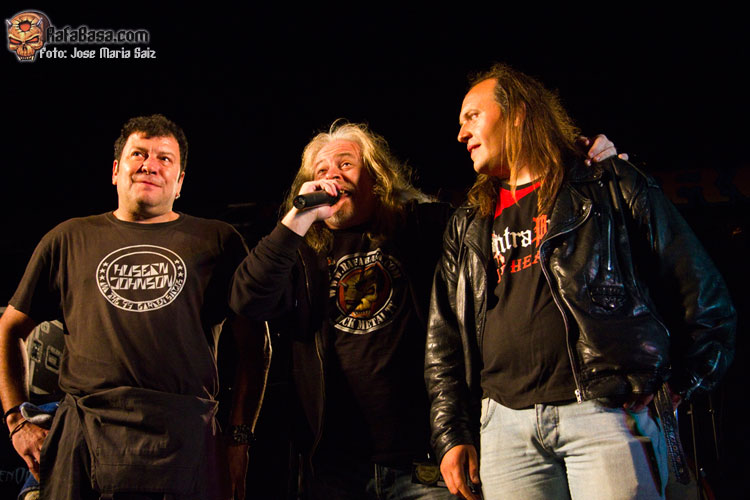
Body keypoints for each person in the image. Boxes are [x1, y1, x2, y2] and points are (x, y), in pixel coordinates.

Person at [230, 121, 616, 499]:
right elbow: (247, 299)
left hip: (426, 463)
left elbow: (513, 223)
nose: (332, 176)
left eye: (346, 164)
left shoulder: (425, 225)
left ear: (376, 176)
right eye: (321, 170)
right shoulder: (298, 252)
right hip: (333, 469)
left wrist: (572, 166)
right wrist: (297, 219)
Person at [424, 64, 737, 500]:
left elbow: (705, 296)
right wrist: (451, 432)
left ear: (518, 113)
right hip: (504, 428)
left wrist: (681, 383)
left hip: (604, 414)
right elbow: (443, 339)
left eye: (472, 116)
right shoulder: (468, 223)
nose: (461, 134)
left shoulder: (608, 183)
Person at [0, 114, 267, 500]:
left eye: (164, 158)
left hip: (186, 441)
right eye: (138, 154)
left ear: (180, 182)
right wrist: (16, 421)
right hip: (83, 436)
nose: (150, 165)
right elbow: (10, 328)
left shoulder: (218, 240)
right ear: (115, 171)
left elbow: (256, 346)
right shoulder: (68, 238)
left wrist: (239, 439)